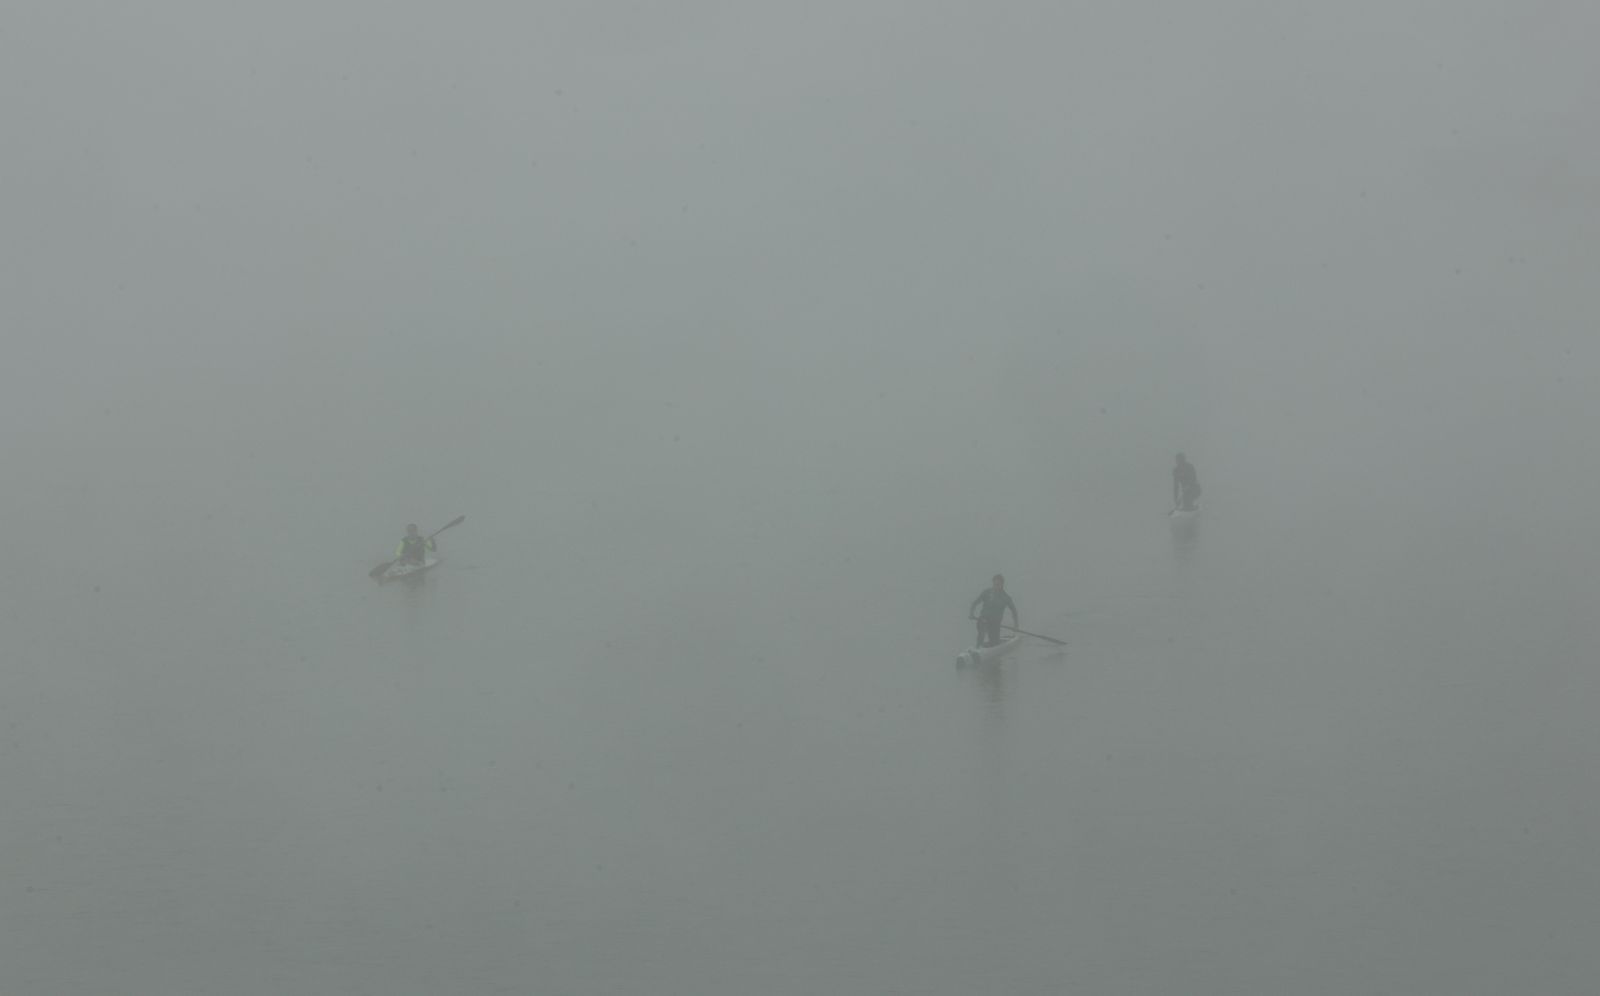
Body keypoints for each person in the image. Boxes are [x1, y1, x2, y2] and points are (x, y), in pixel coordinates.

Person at [968, 574, 1018, 649]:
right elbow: (975, 603)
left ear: (1002, 585)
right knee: (982, 630)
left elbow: (1014, 611)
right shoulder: (986, 592)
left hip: (995, 623)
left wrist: (1016, 625)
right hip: (983, 619)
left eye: (998, 584)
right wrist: (971, 613)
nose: (995, 586)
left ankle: (991, 645)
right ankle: (978, 647)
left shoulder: (1006, 597)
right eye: (994, 584)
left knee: (994, 643)